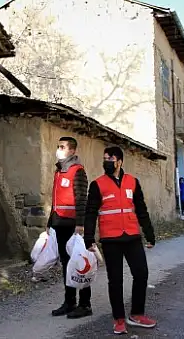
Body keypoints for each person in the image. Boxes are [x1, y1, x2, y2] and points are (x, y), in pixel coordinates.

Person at [84, 146, 157, 335]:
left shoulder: (133, 182)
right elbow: (91, 212)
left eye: (109, 158)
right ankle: (119, 319)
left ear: (119, 162)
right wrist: (89, 237)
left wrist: (149, 234)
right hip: (110, 239)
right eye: (104, 158)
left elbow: (141, 209)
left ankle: (137, 314)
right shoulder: (97, 184)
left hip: (132, 236)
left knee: (141, 274)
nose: (105, 161)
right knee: (115, 280)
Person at [47, 136, 92, 319]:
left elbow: (81, 199)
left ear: (72, 151)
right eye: (58, 146)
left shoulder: (77, 171)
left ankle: (85, 304)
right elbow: (56, 199)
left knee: (80, 264)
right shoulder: (58, 171)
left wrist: (81, 224)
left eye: (63, 147)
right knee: (66, 265)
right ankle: (69, 301)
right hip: (59, 224)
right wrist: (50, 221)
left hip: (74, 226)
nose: (59, 149)